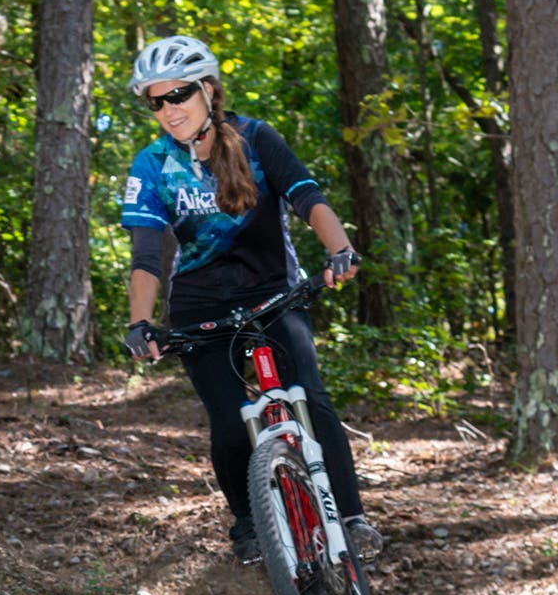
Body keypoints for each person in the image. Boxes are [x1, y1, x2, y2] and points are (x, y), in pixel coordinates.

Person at [116, 34, 385, 564]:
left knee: (309, 395)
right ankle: (249, 524)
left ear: (208, 90)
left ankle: (350, 518)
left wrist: (341, 251)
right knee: (229, 419)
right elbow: (147, 257)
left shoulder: (257, 138)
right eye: (156, 100)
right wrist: (141, 323)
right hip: (200, 308)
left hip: (273, 291)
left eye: (179, 95)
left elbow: (308, 198)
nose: (168, 110)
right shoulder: (149, 165)